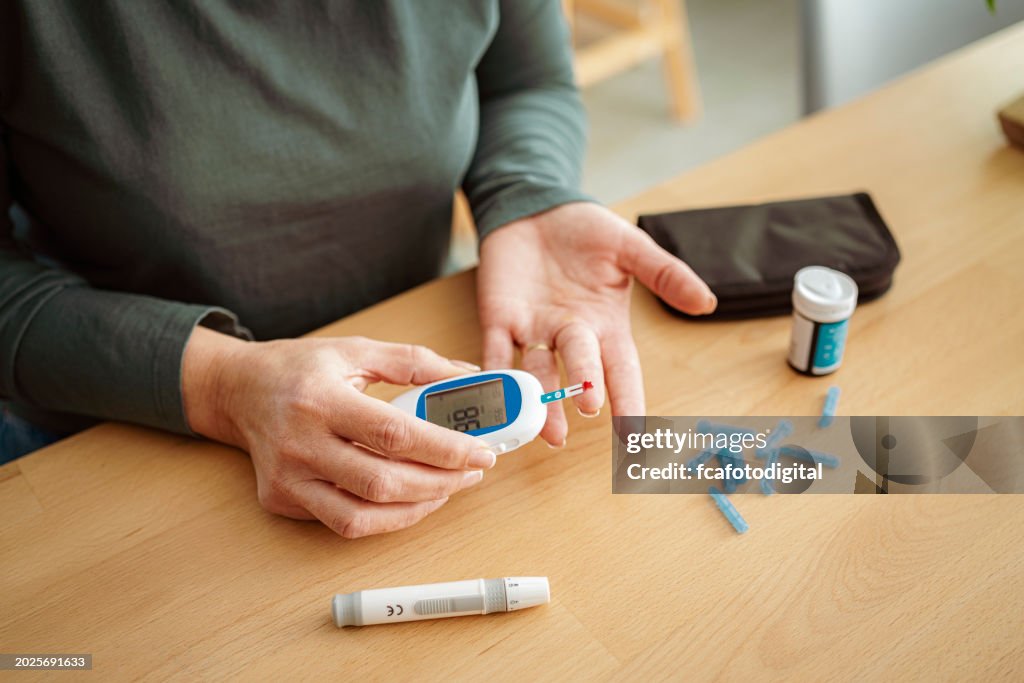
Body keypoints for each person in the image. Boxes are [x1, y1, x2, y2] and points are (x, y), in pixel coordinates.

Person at [0, 1, 715, 536]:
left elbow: (526, 80)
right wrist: (219, 385)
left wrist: (527, 193)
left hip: (415, 344)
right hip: (106, 427)